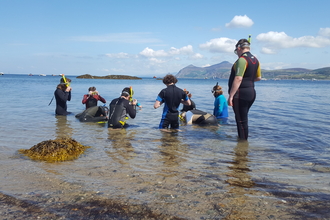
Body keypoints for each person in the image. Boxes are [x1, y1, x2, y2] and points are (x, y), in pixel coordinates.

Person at [228, 38, 261, 140]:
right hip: (251, 93)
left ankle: (242, 148)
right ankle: (242, 143)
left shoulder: (242, 60)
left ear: (239, 48)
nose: (236, 53)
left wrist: (231, 96)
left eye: (236, 51)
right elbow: (258, 78)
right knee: (243, 119)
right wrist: (248, 82)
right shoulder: (255, 60)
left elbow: (238, 78)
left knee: (241, 121)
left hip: (240, 94)